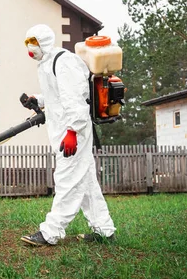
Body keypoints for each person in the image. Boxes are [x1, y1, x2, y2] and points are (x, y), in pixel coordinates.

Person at [20, 24, 116, 246]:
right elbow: (57, 96)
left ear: (43, 42)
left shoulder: (64, 62)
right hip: (64, 131)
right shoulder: (47, 63)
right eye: (27, 44)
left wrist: (73, 131)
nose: (29, 49)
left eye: (32, 43)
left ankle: (50, 232)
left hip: (74, 133)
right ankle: (105, 230)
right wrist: (38, 99)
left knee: (66, 180)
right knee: (86, 182)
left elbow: (75, 100)